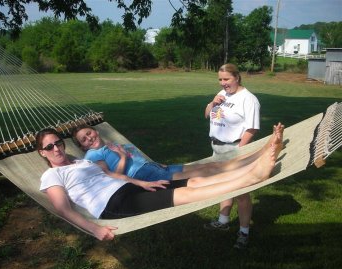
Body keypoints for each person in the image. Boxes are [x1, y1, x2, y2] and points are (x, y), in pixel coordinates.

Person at [38, 124, 284, 241]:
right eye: (49, 146)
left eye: (58, 143)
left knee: (196, 180)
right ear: (42, 153)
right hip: (112, 203)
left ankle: (251, 168)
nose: (56, 148)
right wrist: (95, 229)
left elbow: (110, 176)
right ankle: (253, 176)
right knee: (187, 195)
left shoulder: (79, 162)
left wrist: (140, 183)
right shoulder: (51, 175)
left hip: (129, 187)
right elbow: (62, 208)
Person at [204, 63, 261, 249]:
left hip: (235, 149)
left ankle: (244, 232)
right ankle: (223, 220)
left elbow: (252, 128)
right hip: (218, 149)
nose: (223, 83)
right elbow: (207, 115)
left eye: (226, 79)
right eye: (220, 79)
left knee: (241, 193)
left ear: (237, 77)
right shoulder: (223, 95)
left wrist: (239, 151)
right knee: (224, 186)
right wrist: (213, 103)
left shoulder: (248, 99)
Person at [72, 125, 260, 181]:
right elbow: (112, 176)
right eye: (83, 140)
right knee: (197, 173)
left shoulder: (108, 143)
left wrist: (157, 163)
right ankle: (246, 169)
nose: (88, 138)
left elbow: (134, 156)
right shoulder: (92, 156)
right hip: (141, 174)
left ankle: (249, 160)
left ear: (95, 131)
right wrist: (121, 157)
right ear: (83, 147)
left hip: (151, 167)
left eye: (88, 133)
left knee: (203, 166)